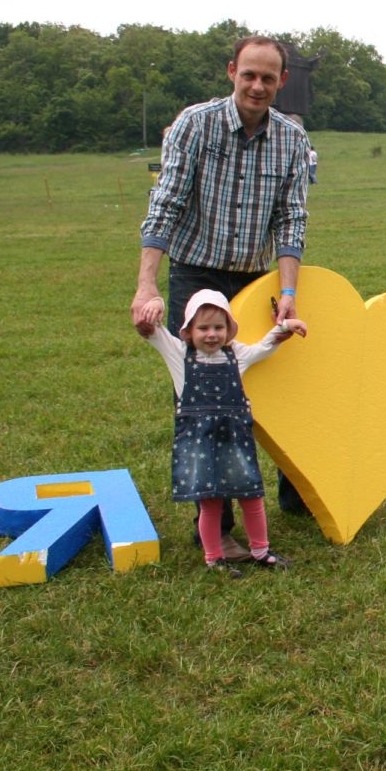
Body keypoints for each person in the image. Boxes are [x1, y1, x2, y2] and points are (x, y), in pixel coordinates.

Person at [132, 35, 312, 558]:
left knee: (277, 382)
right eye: (248, 74)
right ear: (232, 71)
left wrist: (288, 291)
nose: (257, 86)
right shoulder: (195, 124)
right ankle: (216, 522)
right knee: (201, 400)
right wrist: (146, 284)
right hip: (196, 274)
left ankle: (300, 493)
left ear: (282, 81)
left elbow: (291, 219)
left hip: (256, 277)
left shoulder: (292, 138)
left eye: (268, 78)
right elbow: (165, 205)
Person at [141, 289, 305, 576]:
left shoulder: (235, 354)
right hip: (200, 444)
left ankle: (261, 550)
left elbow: (264, 347)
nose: (211, 334)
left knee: (252, 496)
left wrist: (284, 327)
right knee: (210, 502)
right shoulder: (179, 354)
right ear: (189, 330)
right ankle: (213, 557)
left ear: (228, 329)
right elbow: (150, 330)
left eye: (219, 327)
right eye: (203, 328)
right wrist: (153, 305)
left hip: (235, 440)